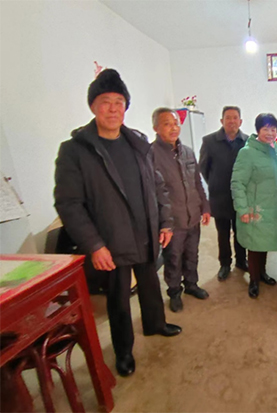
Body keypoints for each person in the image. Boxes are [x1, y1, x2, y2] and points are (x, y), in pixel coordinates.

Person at [54, 69, 181, 378]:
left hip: (146, 231)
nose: (113, 109)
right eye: (105, 102)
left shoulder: (137, 142)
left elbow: (157, 185)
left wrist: (165, 222)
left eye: (119, 102)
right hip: (110, 239)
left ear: (126, 107)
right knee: (118, 298)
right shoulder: (76, 150)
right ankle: (123, 350)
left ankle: (155, 323)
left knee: (150, 284)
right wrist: (94, 245)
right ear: (93, 106)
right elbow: (69, 204)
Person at [151, 108, 211, 313]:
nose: (173, 128)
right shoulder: (150, 155)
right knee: (173, 258)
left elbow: (197, 181)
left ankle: (191, 284)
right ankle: (174, 292)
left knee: (192, 254)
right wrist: (162, 223)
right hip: (172, 220)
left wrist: (205, 206)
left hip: (192, 215)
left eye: (176, 123)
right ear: (156, 128)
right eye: (167, 124)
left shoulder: (187, 151)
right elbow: (152, 193)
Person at [231, 113, 277, 298]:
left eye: (273, 129)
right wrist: (242, 209)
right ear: (258, 130)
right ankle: (254, 280)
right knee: (254, 246)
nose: (270, 133)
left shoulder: (275, 150)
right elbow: (237, 183)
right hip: (255, 210)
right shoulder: (247, 152)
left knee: (265, 243)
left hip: (272, 207)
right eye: (265, 129)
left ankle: (262, 273)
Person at [199, 106, 249, 281]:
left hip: (241, 196)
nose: (232, 121)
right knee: (223, 233)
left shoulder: (247, 142)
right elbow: (203, 168)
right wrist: (215, 182)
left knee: (240, 231)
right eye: (228, 118)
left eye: (235, 118)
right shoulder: (209, 141)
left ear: (240, 121)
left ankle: (241, 261)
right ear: (222, 121)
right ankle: (225, 264)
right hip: (219, 195)